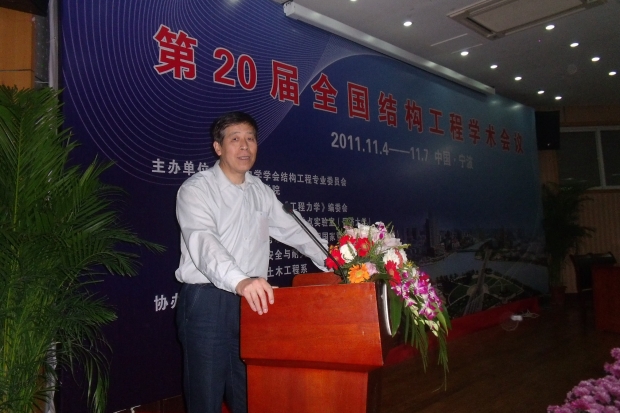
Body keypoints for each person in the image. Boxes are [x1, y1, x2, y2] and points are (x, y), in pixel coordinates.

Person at [175, 111, 328, 413]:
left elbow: (296, 230)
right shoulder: (196, 189)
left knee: (250, 396)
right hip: (208, 304)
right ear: (218, 147)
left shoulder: (261, 191)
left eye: (250, 139)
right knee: (205, 400)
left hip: (251, 304)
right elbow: (203, 242)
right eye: (235, 139)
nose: (244, 146)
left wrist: (336, 262)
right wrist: (241, 281)